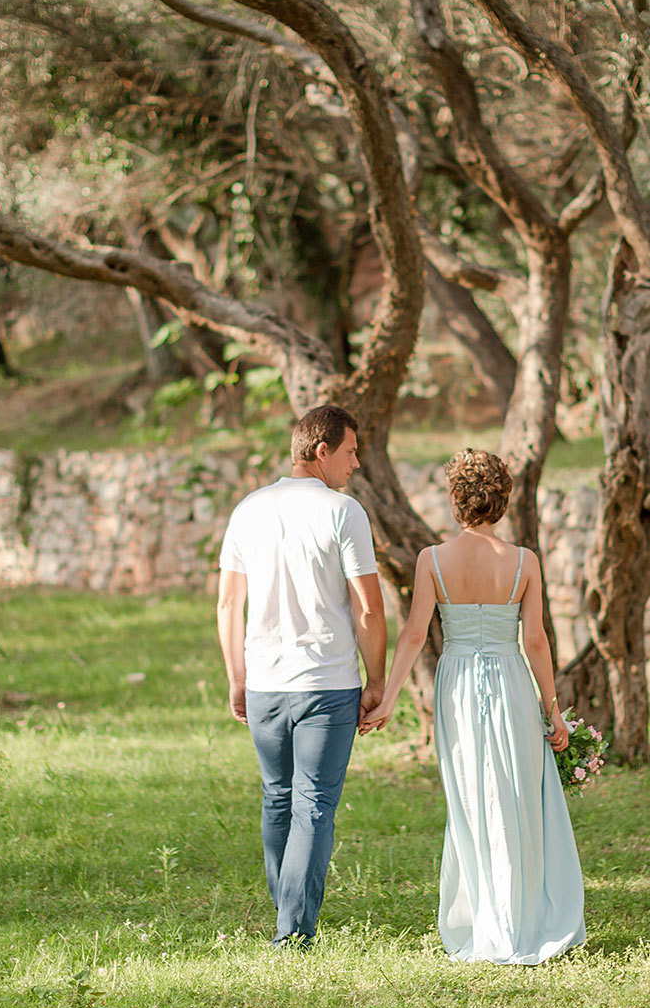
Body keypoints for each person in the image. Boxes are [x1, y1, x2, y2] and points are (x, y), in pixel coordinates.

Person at [366, 448, 585, 965]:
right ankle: (521, 916)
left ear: (455, 500)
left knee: (470, 798)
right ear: (503, 500)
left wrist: (389, 698)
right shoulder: (524, 561)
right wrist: (552, 709)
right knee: (515, 794)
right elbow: (535, 641)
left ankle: (486, 917)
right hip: (510, 679)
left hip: (458, 684)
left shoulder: (432, 560)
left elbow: (416, 633)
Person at [215, 404, 387, 948]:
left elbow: (227, 604)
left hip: (265, 682)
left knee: (278, 799)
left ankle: (288, 914)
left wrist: (236, 676)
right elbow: (369, 609)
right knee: (313, 804)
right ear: (321, 451)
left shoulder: (248, 509)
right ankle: (293, 930)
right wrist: (377, 680)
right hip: (327, 684)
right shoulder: (344, 512)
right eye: (351, 451)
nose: (356, 463)